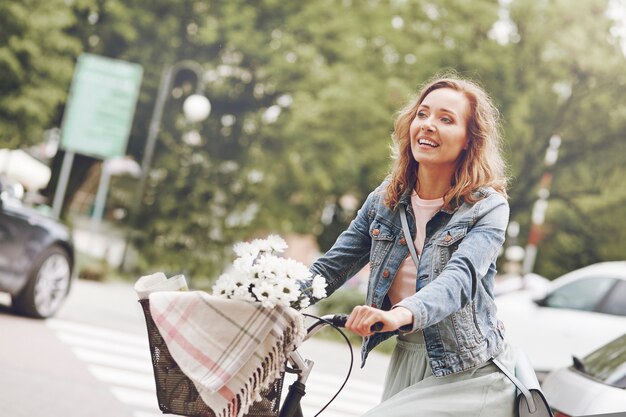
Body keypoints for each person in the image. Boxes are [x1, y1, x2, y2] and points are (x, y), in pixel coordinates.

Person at [308, 74, 516, 416]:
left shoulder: (487, 207)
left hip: (469, 370)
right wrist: (272, 292)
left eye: (446, 119)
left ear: (469, 139)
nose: (429, 125)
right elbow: (331, 267)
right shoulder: (385, 200)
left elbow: (458, 281)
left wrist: (399, 314)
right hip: (407, 356)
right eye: (423, 114)